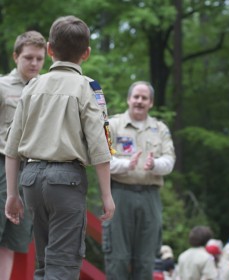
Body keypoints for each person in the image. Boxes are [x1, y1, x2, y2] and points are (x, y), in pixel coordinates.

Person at [4, 15, 115, 280]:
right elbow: (101, 146)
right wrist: (107, 195)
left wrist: (11, 194)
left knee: (44, 265)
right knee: (63, 266)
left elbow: (12, 146)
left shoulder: (31, 86)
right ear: (86, 53)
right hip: (66, 182)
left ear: (50, 50)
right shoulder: (91, 88)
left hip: (30, 180)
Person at [102, 81, 176, 280]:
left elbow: (169, 161)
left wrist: (154, 165)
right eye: (136, 97)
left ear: (151, 102)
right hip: (119, 193)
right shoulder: (113, 124)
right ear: (128, 99)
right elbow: (102, 159)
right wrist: (127, 165)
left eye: (144, 98)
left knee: (146, 259)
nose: (139, 101)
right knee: (118, 257)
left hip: (150, 196)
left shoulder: (160, 129)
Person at [0, 30, 46, 280]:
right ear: (16, 56)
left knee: (14, 238)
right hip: (2, 164)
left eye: (39, 58)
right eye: (28, 57)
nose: (34, 64)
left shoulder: (46, 89)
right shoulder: (2, 86)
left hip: (31, 169)